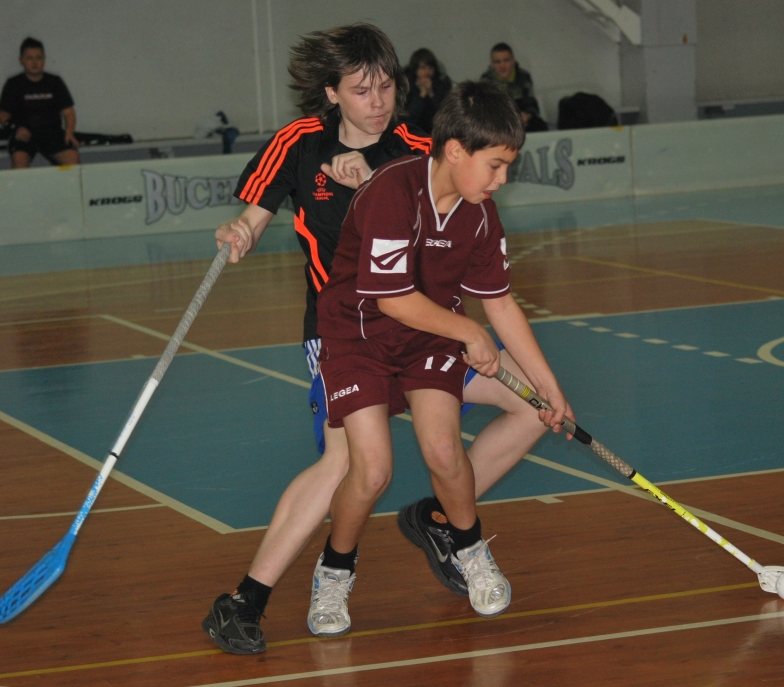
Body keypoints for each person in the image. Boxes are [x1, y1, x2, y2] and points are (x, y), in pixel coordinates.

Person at [203, 25, 564, 655]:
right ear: (331, 93)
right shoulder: (298, 144)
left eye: (387, 86)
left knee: (532, 406)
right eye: (361, 89)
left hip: (430, 334)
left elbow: (464, 242)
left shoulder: (423, 148)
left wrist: (549, 385)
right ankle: (249, 597)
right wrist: (239, 232)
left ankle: (444, 521)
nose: (378, 100)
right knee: (351, 464)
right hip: (343, 332)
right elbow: (253, 218)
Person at [309, 79, 573, 636]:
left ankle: (468, 549)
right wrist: (466, 331)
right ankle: (335, 570)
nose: (502, 180)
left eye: (508, 168)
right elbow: (391, 297)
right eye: (496, 166)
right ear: (455, 151)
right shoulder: (391, 192)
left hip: (426, 338)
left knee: (443, 449)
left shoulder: (479, 215)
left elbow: (499, 303)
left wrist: (548, 386)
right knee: (373, 469)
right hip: (358, 337)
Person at [0, 37, 79, 169]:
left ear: (44, 59)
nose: (35, 62)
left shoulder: (55, 82)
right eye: (29, 58)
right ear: (21, 60)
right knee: (19, 161)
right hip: (25, 136)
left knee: (73, 159)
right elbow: (2, 116)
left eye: (38, 58)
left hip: (52, 134)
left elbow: (69, 113)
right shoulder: (13, 84)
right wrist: (16, 129)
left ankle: (66, 188)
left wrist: (69, 133)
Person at [403, 48, 452, 133]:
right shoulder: (406, 85)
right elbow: (408, 118)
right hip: (412, 132)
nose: (427, 71)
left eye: (430, 67)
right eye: (422, 68)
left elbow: (444, 114)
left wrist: (431, 93)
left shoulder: (441, 83)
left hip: (435, 132)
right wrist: (421, 95)